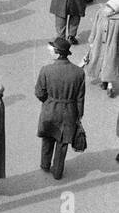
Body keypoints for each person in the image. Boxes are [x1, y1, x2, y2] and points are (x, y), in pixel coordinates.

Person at [35, 36, 86, 180]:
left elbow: (39, 93)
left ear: (57, 53)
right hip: (69, 112)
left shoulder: (46, 70)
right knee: (63, 142)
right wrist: (78, 115)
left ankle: (45, 164)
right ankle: (57, 171)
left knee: (48, 137)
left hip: (50, 109)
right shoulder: (79, 72)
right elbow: (80, 98)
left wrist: (48, 101)